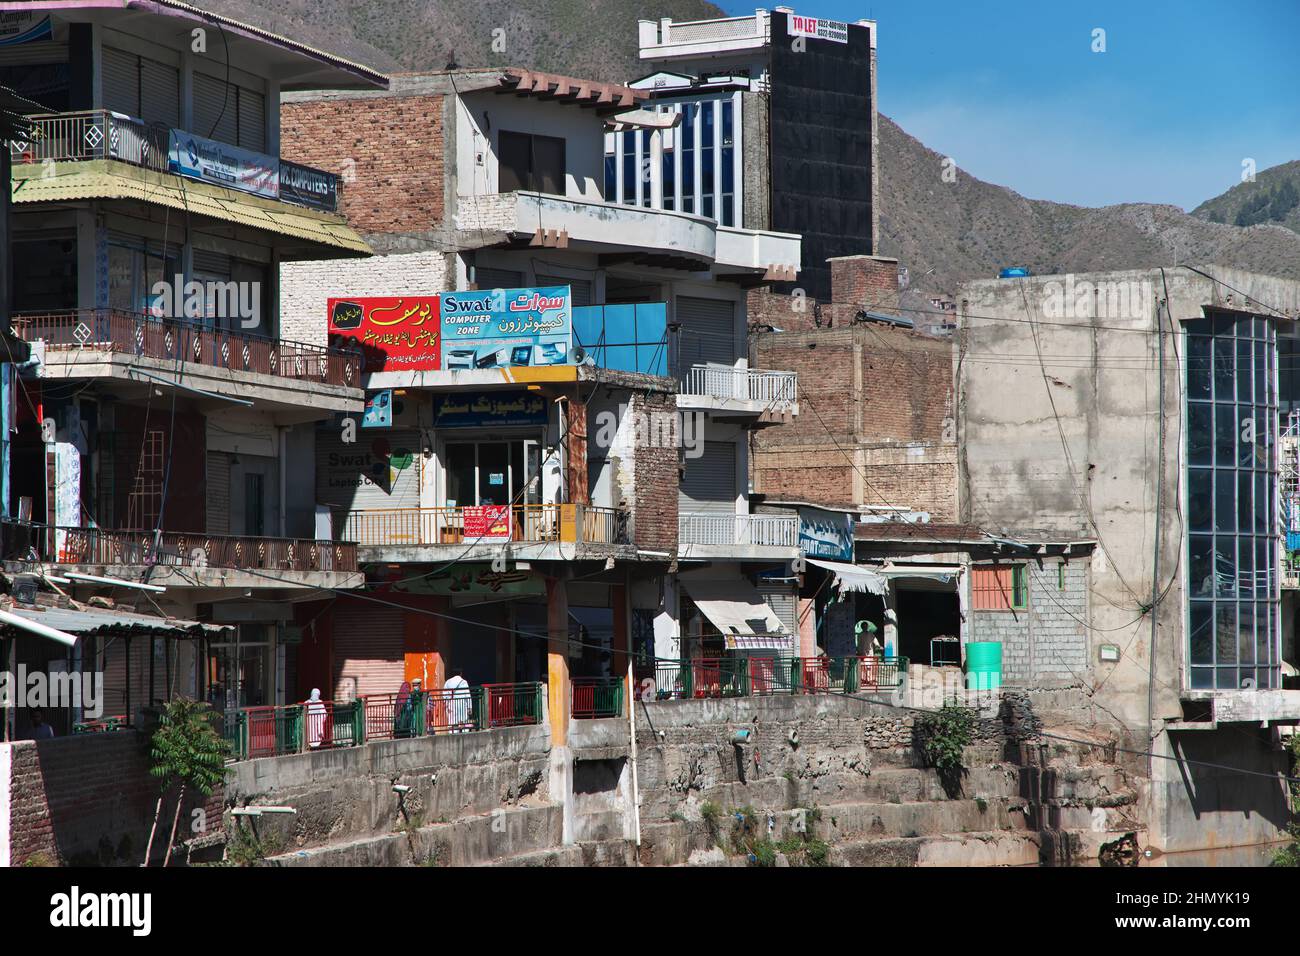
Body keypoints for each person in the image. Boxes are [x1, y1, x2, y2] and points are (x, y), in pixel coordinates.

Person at [445, 668, 471, 732]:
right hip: (462, 704)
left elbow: (445, 694)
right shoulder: (463, 682)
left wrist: (446, 704)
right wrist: (469, 707)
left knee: (452, 721)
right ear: (461, 673)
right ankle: (464, 734)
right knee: (463, 721)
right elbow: (467, 694)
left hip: (452, 703)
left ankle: (452, 734)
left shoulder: (448, 682)